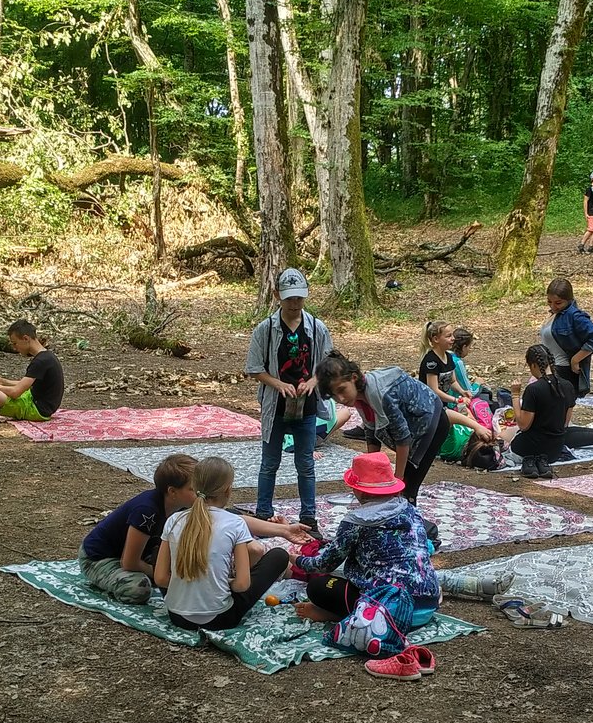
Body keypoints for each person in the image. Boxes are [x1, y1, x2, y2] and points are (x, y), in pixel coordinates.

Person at [79, 454, 311, 605]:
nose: (200, 492)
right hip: (103, 558)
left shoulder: (187, 506)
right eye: (193, 488)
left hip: (149, 554)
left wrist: (283, 531)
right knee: (138, 589)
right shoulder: (147, 511)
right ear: (172, 491)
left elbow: (235, 519)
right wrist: (175, 578)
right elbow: (128, 562)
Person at [293, 450, 441, 627]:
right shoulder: (410, 510)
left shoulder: (357, 522)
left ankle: (341, 614)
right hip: (427, 605)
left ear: (360, 491)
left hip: (389, 610)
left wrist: (296, 560)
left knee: (318, 586)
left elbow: (325, 564)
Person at [316, 353, 451, 541]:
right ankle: (402, 530)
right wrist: (370, 474)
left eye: (342, 390)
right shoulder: (359, 396)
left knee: (406, 488)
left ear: (354, 378)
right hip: (411, 428)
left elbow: (403, 439)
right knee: (392, 490)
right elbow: (371, 431)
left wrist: (398, 478)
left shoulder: (381, 395)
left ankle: (418, 535)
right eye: (334, 396)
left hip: (431, 424)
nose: (340, 398)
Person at [155, 456, 289, 631]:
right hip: (221, 618)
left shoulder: (174, 520)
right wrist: (221, 583)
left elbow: (161, 578)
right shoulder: (235, 522)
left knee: (159, 550)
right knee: (279, 555)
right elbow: (242, 585)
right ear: (228, 490)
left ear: (194, 487)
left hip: (178, 616)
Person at [244, 266, 332, 534]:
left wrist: (313, 381)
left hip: (306, 406)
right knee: (269, 462)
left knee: (305, 463)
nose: (294, 304)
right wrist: (278, 384)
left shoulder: (316, 327)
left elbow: (328, 362)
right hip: (276, 407)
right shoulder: (266, 329)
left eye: (299, 298)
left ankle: (308, 516)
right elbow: (254, 367)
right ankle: (263, 513)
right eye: (289, 298)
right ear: (277, 296)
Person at [508, 345, 593, 479]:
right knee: (564, 432)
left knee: (516, 439)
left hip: (530, 446)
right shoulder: (567, 386)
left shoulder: (533, 389)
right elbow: (564, 424)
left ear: (533, 365)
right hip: (555, 449)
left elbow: (523, 425)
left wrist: (515, 396)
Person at [540, 278, 593, 396]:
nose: (553, 306)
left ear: (568, 300)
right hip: (548, 367)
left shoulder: (574, 316)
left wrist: (575, 360)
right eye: (549, 302)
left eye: (558, 303)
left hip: (562, 370)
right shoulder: (555, 314)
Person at [419, 320, 470, 409]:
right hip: (430, 407)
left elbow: (452, 381)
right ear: (436, 339)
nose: (453, 338)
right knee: (470, 422)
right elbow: (434, 390)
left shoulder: (449, 357)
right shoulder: (431, 361)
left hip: (443, 406)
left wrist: (462, 391)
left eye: (452, 335)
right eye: (448, 336)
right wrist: (456, 400)